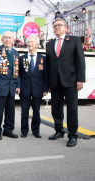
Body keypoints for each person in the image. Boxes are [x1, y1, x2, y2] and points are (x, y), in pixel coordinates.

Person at [46, 18, 85, 147]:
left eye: (59, 25)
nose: (56, 27)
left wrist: (80, 79)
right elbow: (48, 64)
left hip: (71, 81)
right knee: (56, 109)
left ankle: (73, 135)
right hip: (55, 81)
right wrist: (48, 83)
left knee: (72, 109)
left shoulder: (74, 40)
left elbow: (80, 61)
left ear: (65, 27)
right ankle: (59, 131)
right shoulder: (49, 44)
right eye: (54, 26)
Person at [0, 31, 20, 140]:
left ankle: (8, 130)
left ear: (13, 40)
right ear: (2, 39)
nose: (8, 39)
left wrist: (18, 85)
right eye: (5, 37)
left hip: (11, 86)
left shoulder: (16, 53)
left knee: (10, 111)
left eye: (10, 37)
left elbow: (18, 71)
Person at [19, 35, 48, 138]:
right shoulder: (22, 58)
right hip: (24, 88)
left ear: (37, 44)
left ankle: (36, 130)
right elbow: (19, 74)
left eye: (32, 42)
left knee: (36, 111)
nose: (30, 43)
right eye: (28, 42)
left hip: (38, 88)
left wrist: (45, 88)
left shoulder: (42, 59)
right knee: (24, 111)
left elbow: (45, 75)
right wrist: (18, 87)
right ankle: (24, 130)